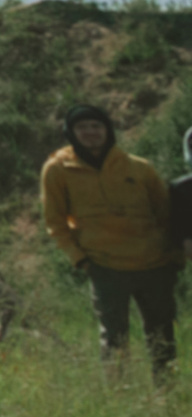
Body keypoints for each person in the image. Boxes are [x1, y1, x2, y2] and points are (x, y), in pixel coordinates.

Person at [42, 103, 177, 375]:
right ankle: (120, 397)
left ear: (108, 131)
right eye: (82, 127)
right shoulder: (58, 169)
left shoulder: (139, 168)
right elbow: (54, 222)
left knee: (162, 332)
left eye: (96, 126)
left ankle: (167, 392)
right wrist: (79, 259)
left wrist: (173, 255)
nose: (91, 132)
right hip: (104, 265)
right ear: (71, 133)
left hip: (154, 263)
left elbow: (167, 216)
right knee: (114, 338)